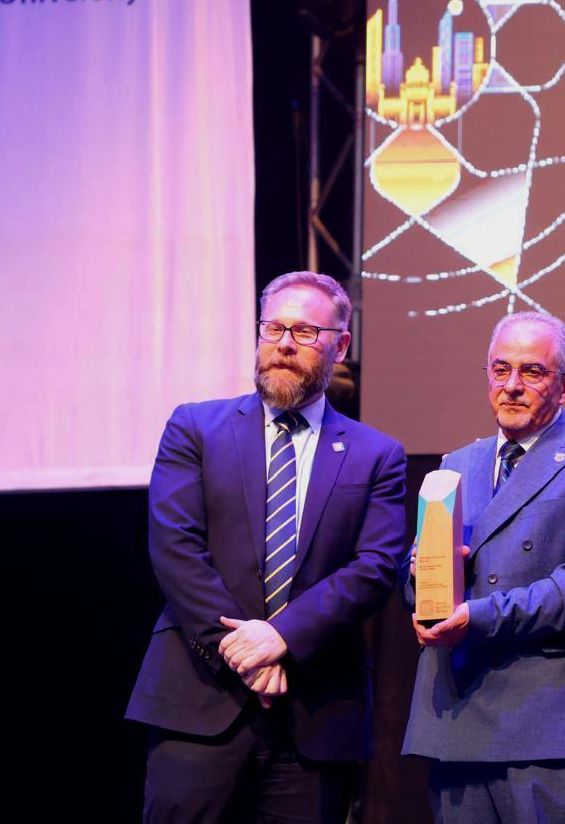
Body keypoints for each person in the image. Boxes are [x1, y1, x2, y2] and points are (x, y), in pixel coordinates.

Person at [125, 271, 408, 823]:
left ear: (340, 346)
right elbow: (175, 546)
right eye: (273, 328)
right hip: (199, 700)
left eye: (304, 332)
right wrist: (243, 653)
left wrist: (282, 636)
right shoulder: (195, 427)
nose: (283, 344)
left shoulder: (377, 454)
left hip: (316, 713)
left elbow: (374, 567)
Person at [401, 312, 565, 824]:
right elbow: (416, 577)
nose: (512, 386)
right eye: (500, 369)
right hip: (458, 720)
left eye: (532, 372)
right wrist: (421, 579)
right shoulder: (455, 464)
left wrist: (478, 616)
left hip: (553, 725)